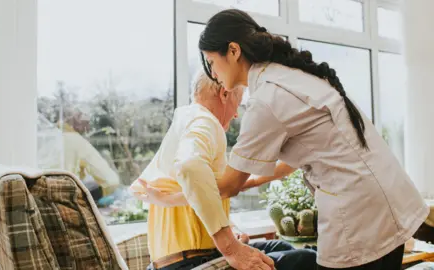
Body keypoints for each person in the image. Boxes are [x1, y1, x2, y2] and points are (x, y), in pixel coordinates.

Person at [142, 9, 429, 270]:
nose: (212, 73)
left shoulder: (267, 98)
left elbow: (228, 185)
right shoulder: (289, 77)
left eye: (211, 62)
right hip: (386, 203)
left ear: (232, 51)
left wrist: (170, 198)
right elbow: (293, 161)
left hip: (360, 217)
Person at [130, 72, 316, 270]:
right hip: (188, 263)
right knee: (307, 259)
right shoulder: (205, 121)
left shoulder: (186, 120)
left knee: (281, 246)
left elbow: (226, 185)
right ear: (224, 93)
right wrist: (231, 248)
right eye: (238, 99)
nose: (236, 113)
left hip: (175, 260)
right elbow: (190, 166)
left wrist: (301, 156)